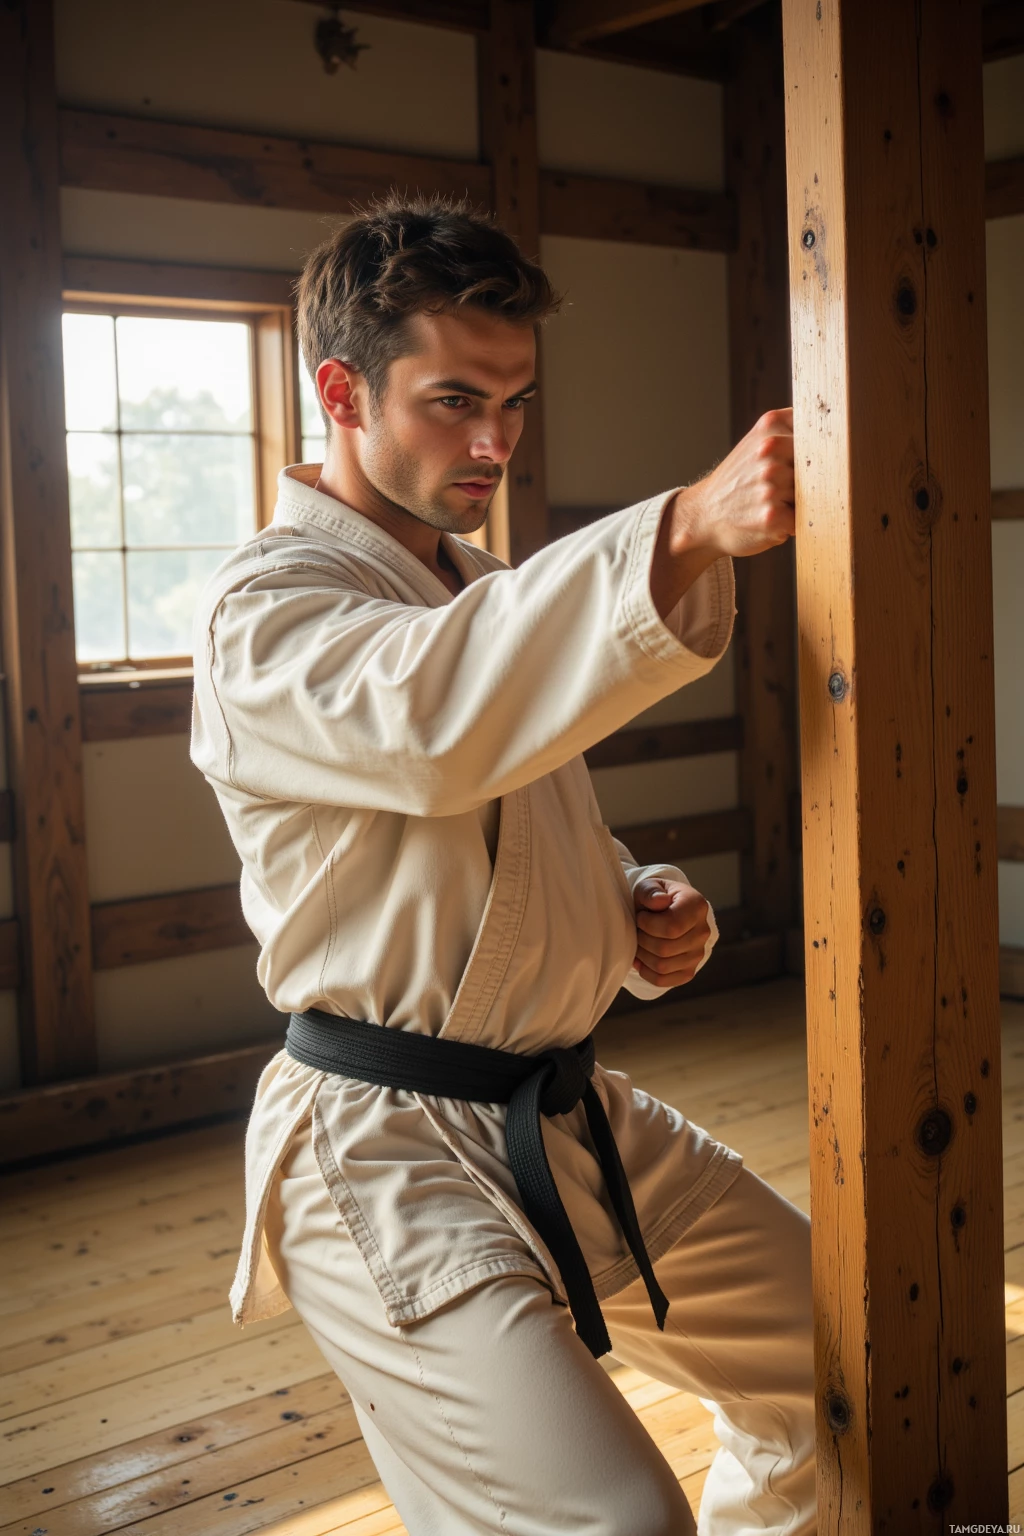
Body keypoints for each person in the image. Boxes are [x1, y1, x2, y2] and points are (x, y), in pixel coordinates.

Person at [191, 193, 816, 1535]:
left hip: (565, 1109)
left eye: (516, 402)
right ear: (340, 391)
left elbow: (503, 823)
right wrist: (692, 520)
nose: (496, 441)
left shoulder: (472, 587)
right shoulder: (267, 608)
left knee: (848, 1353)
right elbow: (431, 730)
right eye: (454, 400)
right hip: (384, 1155)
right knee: (613, 1522)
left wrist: (632, 905)